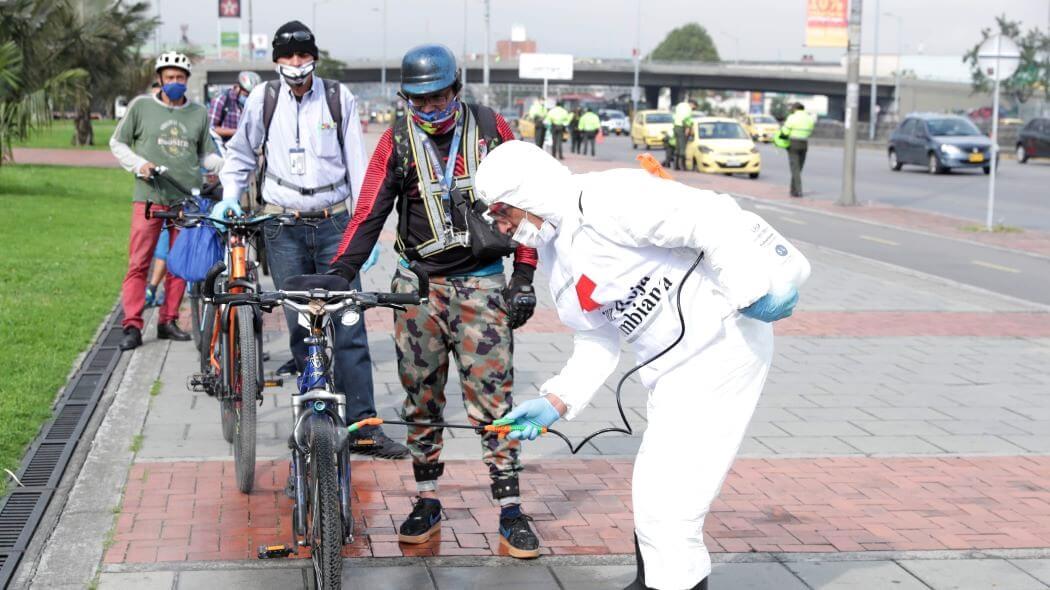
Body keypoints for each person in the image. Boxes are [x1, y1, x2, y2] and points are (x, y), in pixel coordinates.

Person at [474, 140, 807, 590]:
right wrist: (556, 399)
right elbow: (595, 338)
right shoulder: (558, 257)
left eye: (502, 210)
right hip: (673, 371)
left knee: (671, 512)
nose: (501, 224)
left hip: (723, 346)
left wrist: (751, 293)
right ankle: (652, 582)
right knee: (654, 496)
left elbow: (712, 217)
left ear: (528, 194)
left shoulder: (606, 199)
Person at [328, 44, 542, 559]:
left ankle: (510, 507)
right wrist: (339, 272)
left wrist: (525, 276)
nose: (428, 110)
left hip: (483, 284)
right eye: (417, 101)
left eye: (437, 98)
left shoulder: (493, 130)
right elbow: (368, 212)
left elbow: (529, 202)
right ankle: (426, 499)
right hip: (418, 288)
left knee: (492, 399)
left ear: (456, 89)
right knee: (420, 397)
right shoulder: (397, 140)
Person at [216, 21, 405, 458]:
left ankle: (362, 425)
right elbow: (242, 153)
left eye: (304, 56)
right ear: (277, 61)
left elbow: (361, 167)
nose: (297, 65)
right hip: (283, 227)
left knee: (349, 321)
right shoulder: (263, 100)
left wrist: (366, 229)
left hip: (336, 223)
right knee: (302, 323)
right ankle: (311, 418)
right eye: (289, 57)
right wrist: (229, 195)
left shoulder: (339, 98)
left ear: (314, 57)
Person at [110, 51, 213, 351]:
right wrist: (138, 164)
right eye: (170, 78)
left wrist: (226, 169)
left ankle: (169, 319)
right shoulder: (141, 107)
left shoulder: (198, 113)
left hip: (185, 200)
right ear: (160, 79)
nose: (175, 82)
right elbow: (117, 142)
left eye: (180, 78)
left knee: (179, 264)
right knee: (139, 262)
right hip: (149, 199)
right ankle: (132, 324)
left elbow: (207, 154)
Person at [208, 71, 262, 145]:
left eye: (251, 95)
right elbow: (211, 129)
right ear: (236, 87)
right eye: (246, 94)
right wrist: (237, 132)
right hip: (225, 149)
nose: (248, 97)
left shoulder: (253, 104)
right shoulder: (221, 101)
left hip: (246, 149)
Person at [780, 103, 814, 197]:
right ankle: (793, 190)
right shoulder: (809, 118)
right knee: (798, 168)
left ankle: (798, 190)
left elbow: (785, 131)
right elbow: (810, 130)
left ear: (795, 109)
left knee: (795, 169)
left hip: (793, 143)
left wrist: (781, 138)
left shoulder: (792, 117)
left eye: (792, 108)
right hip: (804, 144)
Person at [672, 99, 697, 170]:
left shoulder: (680, 105)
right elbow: (685, 119)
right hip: (681, 128)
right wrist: (687, 128)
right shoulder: (688, 109)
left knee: (678, 147)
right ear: (692, 104)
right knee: (682, 148)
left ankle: (676, 165)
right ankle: (684, 166)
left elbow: (675, 116)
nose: (693, 109)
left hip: (676, 127)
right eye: (694, 107)